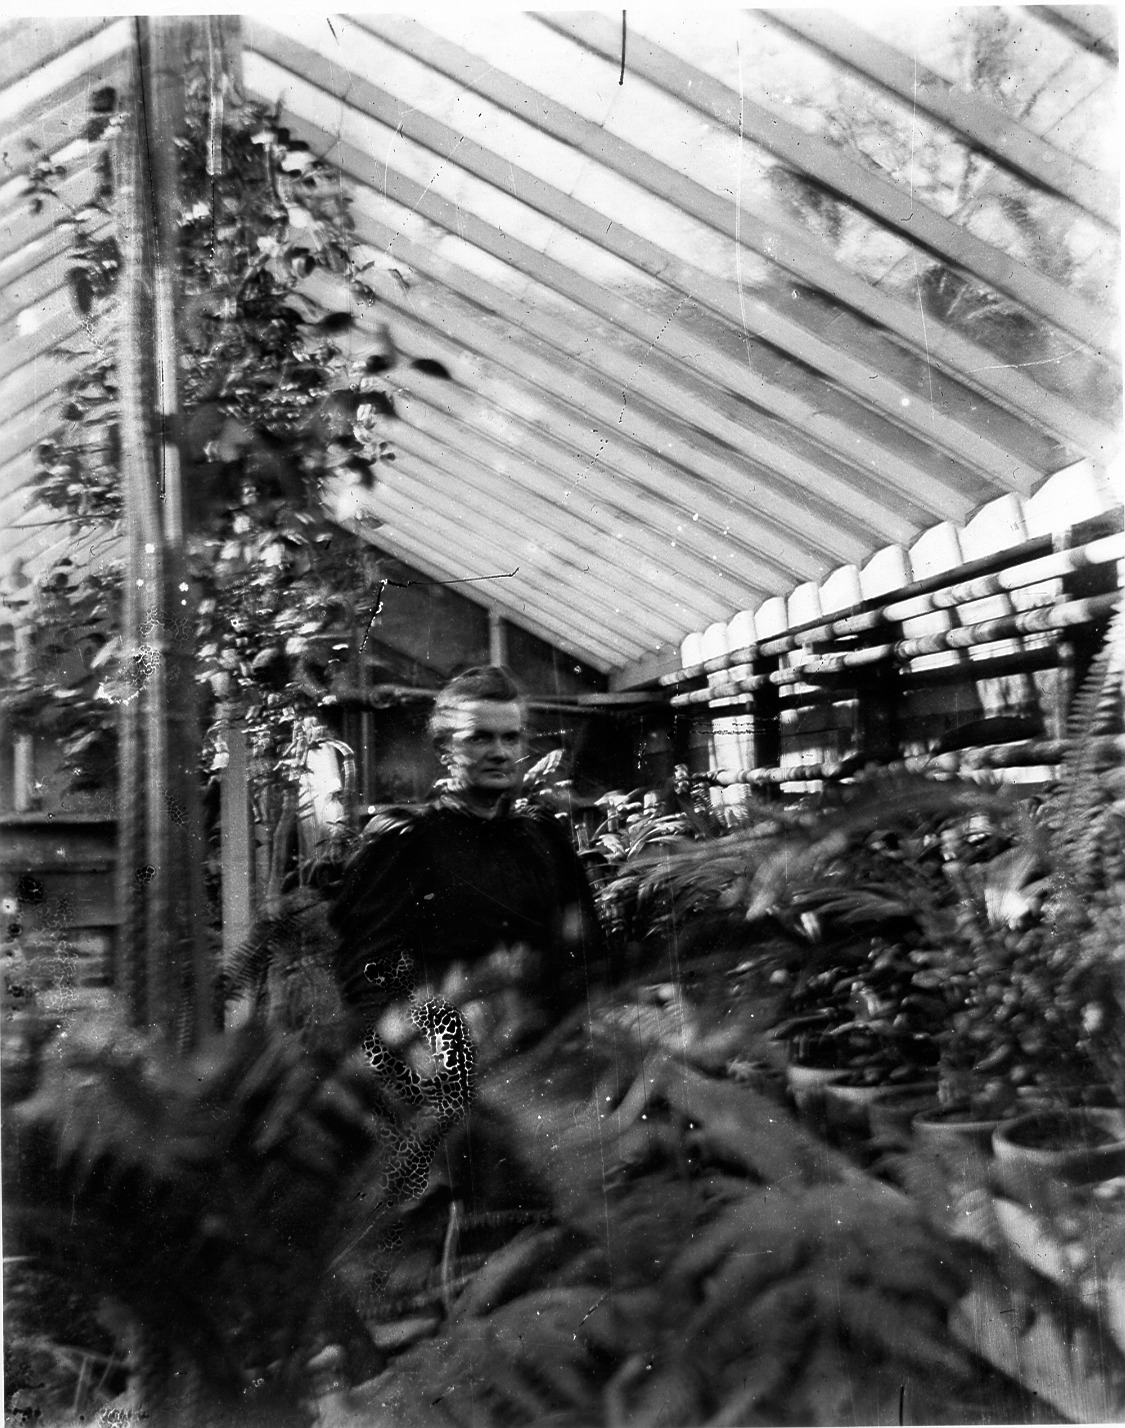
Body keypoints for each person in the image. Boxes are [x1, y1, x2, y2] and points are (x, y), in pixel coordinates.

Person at [329, 665, 606, 1063]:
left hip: (551, 1052)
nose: (499, 752)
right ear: (445, 750)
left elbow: (589, 952)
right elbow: (366, 976)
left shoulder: (544, 837)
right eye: (479, 738)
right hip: (449, 1060)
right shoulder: (408, 843)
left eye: (511, 737)